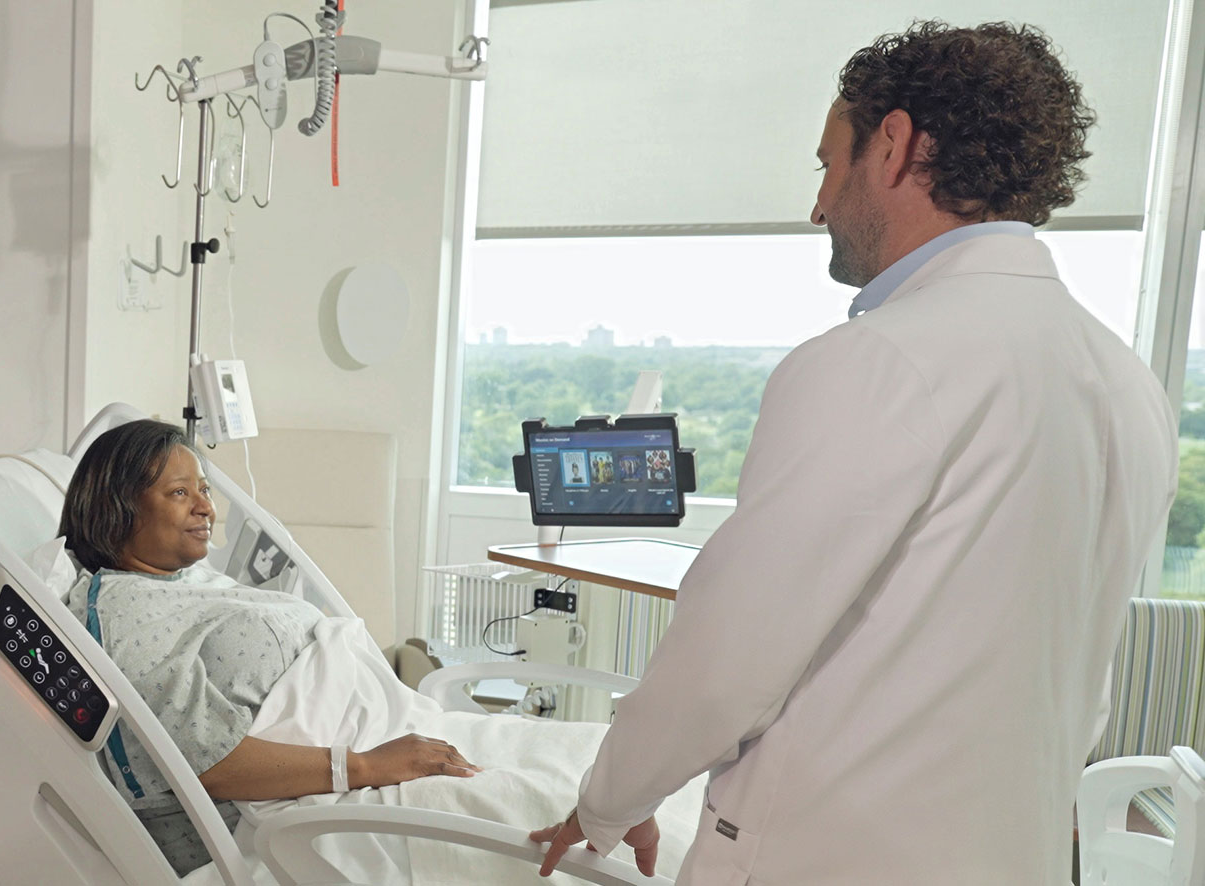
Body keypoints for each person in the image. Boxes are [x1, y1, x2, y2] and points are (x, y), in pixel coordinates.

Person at [530, 21, 1178, 885]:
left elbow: (726, 661)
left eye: (827, 165)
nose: (819, 204)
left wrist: (612, 799)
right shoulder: (1128, 383)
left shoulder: (878, 359)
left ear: (895, 144)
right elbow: (1077, 681)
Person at [58, 419, 479, 876]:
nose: (205, 508)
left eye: (204, 489)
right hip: (331, 794)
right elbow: (203, 762)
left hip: (388, 735)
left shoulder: (177, 579)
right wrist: (364, 767)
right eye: (180, 493)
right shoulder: (124, 615)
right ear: (118, 508)